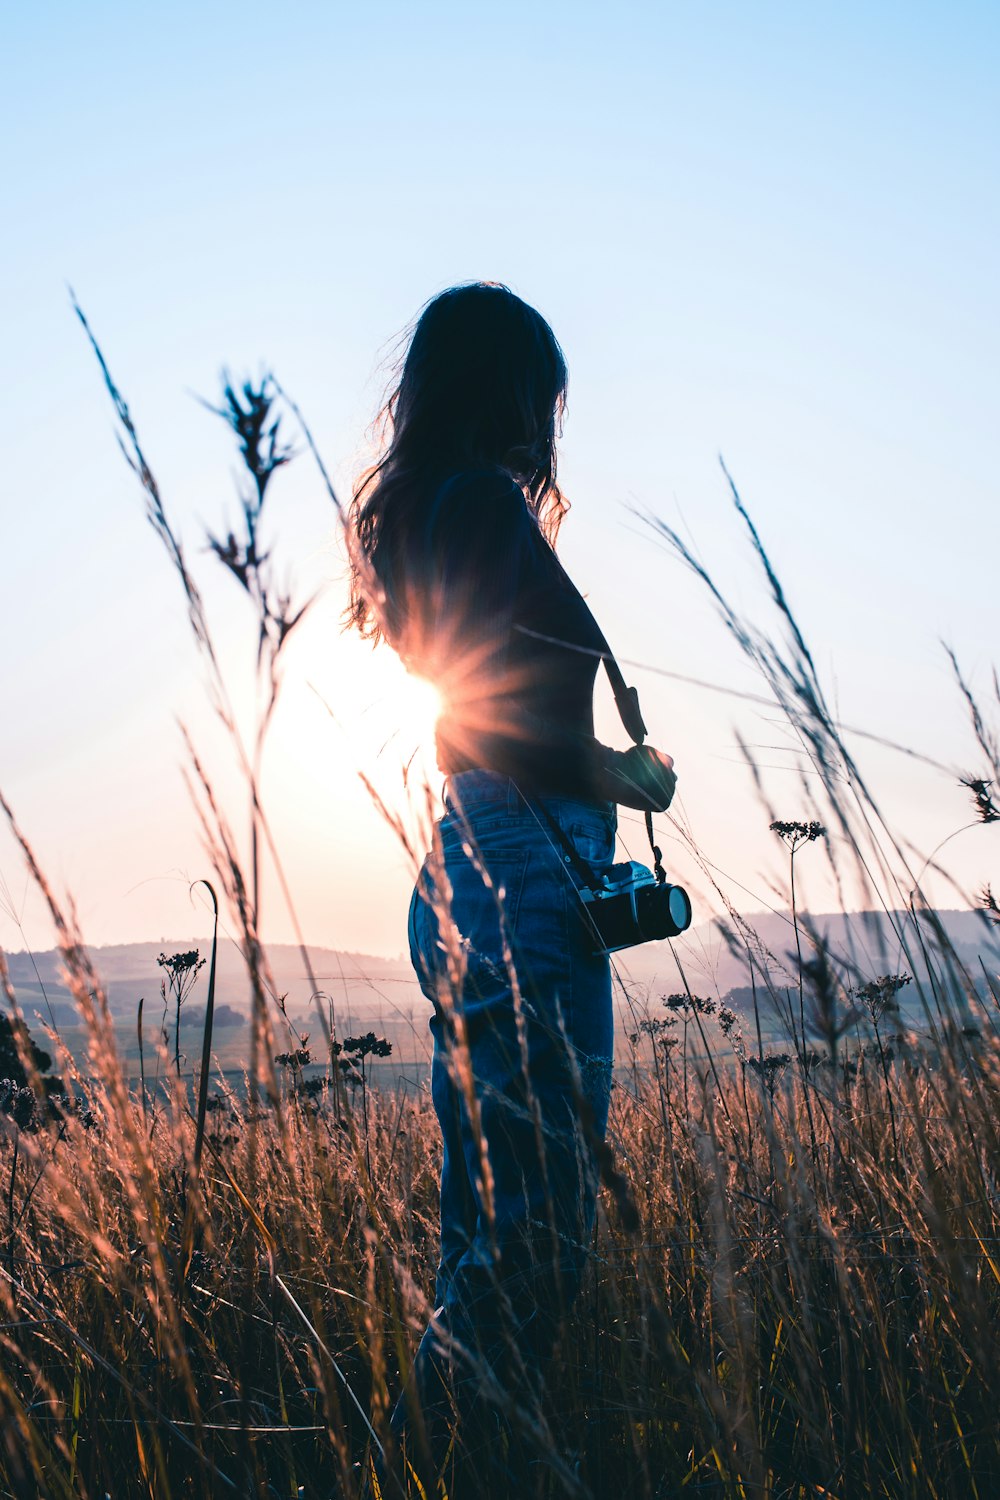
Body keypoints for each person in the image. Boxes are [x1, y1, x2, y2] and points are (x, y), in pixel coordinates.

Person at [346, 283, 676, 1496]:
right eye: (543, 393)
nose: (551, 422)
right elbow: (503, 725)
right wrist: (624, 774)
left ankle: (462, 1473)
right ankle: (410, 1468)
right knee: (538, 1235)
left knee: (482, 1236)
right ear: (511, 390)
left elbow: (471, 715)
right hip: (528, 862)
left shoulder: (422, 514)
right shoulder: (481, 502)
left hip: (471, 867)